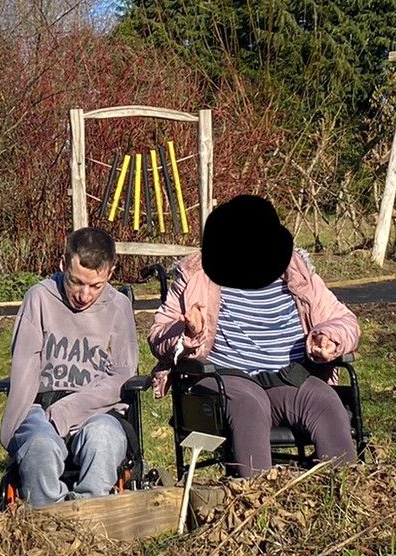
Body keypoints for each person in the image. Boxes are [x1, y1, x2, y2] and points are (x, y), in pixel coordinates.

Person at [149, 195, 360, 474]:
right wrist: (188, 332)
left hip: (288, 376)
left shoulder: (296, 273)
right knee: (249, 403)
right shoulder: (197, 276)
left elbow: (345, 321)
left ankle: (340, 501)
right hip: (224, 379)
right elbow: (157, 336)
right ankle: (255, 505)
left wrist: (329, 337)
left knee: (326, 403)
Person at [0, 228, 138, 506]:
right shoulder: (39, 298)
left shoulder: (118, 306)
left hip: (99, 411)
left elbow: (122, 376)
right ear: (63, 264)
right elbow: (25, 370)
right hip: (42, 408)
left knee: (103, 439)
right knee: (39, 445)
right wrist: (13, 429)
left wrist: (69, 410)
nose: (84, 295)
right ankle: (49, 522)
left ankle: (90, 519)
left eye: (95, 286)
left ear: (110, 273)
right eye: (76, 282)